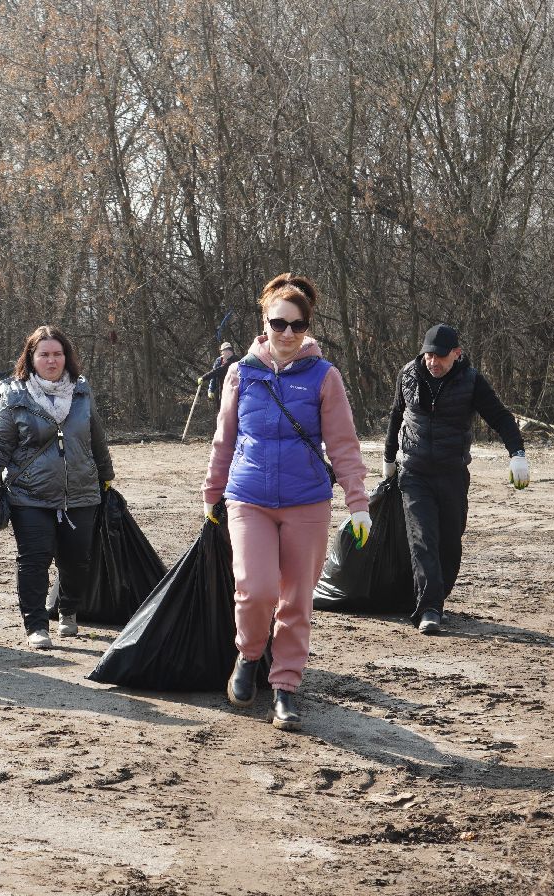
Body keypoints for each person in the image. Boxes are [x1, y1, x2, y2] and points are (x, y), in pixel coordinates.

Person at [202, 275, 370, 732]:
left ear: (307, 327)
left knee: (295, 601)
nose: (288, 334)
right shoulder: (240, 373)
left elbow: (344, 445)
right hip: (248, 498)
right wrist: (211, 493)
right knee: (255, 590)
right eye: (279, 324)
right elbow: (224, 439)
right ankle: (248, 654)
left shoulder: (324, 376)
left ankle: (285, 687)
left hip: (307, 502)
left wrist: (359, 503)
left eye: (297, 326)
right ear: (265, 323)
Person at [0, 326, 115, 649]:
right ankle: (36, 625)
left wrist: (106, 474)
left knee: (76, 560)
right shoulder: (14, 396)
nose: (51, 360)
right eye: (44, 354)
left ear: (66, 357)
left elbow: (96, 437)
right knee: (33, 559)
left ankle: (68, 610)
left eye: (57, 353)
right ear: (30, 358)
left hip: (81, 492)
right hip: (29, 494)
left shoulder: (82, 392)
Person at [382, 323, 529, 636]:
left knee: (449, 543)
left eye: (440, 356)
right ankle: (429, 608)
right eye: (428, 356)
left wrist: (517, 454)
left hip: (452, 474)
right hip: (415, 473)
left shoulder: (471, 381)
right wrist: (388, 459)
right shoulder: (409, 374)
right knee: (423, 540)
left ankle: (437, 598)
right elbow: (397, 415)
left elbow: (501, 418)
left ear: (456, 354)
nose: (433, 362)